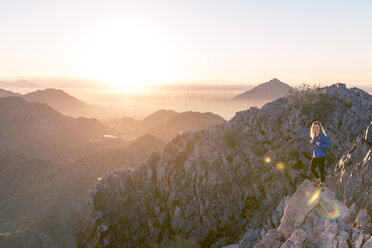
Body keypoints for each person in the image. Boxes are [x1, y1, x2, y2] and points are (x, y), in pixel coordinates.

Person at [309, 121, 331, 187]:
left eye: (317, 127)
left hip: (321, 155)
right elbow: (316, 146)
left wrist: (320, 144)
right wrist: (312, 142)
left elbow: (328, 144)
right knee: (312, 168)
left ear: (320, 127)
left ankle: (322, 184)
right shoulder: (314, 136)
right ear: (313, 128)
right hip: (315, 155)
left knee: (321, 170)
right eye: (315, 127)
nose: (316, 128)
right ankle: (318, 180)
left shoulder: (322, 135)